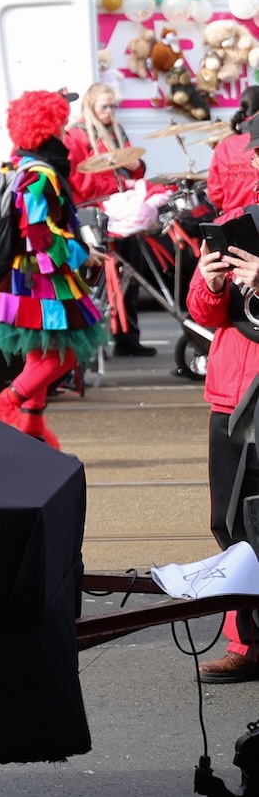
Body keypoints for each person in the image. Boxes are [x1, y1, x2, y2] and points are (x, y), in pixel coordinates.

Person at [0, 89, 110, 445]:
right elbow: (39, 234)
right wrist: (82, 253)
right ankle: (3, 407)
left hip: (20, 277)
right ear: (46, 131)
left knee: (41, 353)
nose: (64, 132)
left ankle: (31, 430)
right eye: (61, 125)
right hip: (38, 278)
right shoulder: (41, 174)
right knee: (63, 355)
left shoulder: (18, 163)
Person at [190, 229, 259, 680]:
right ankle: (246, 641)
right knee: (232, 524)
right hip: (232, 396)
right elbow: (202, 311)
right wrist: (212, 282)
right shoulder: (236, 224)